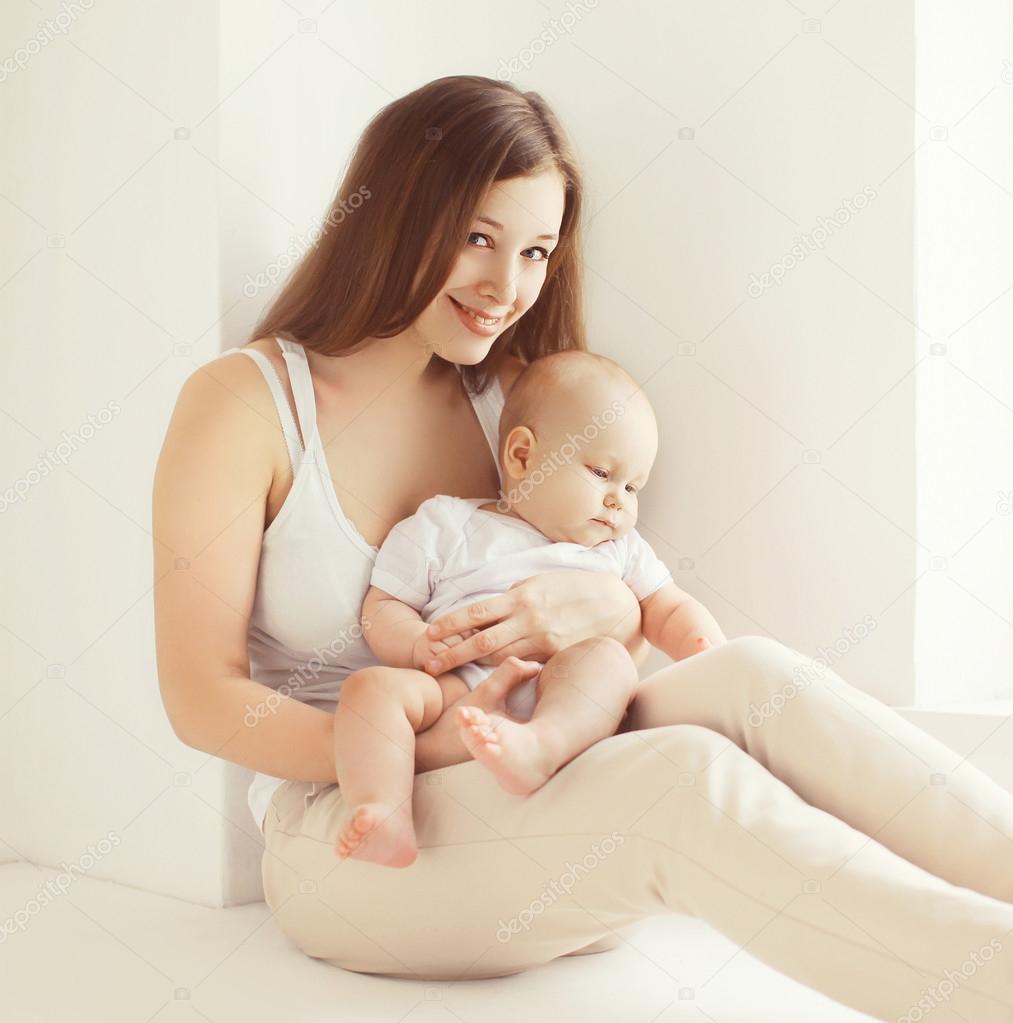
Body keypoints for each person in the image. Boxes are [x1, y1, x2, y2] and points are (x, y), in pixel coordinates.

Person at [152, 75, 1013, 1021]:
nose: (505, 288)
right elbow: (201, 697)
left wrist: (604, 612)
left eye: (534, 251)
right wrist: (416, 748)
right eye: (477, 237)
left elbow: (610, 596)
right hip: (355, 839)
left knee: (752, 673)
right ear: (391, 213)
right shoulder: (245, 403)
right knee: (684, 783)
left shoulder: (513, 402)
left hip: (536, 784)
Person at [335, 350, 727, 867]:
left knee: (606, 663)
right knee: (369, 691)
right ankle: (384, 813)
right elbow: (382, 605)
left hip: (559, 691)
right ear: (522, 457)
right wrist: (414, 643)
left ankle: (539, 747)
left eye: (633, 488)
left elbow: (669, 608)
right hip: (455, 686)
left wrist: (708, 652)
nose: (619, 502)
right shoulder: (447, 524)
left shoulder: (617, 552)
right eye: (602, 473)